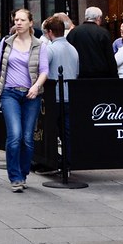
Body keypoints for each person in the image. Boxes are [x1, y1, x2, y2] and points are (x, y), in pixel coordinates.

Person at [0, 8, 48, 192]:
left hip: (31, 95)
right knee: (14, 136)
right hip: (10, 93)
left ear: (31, 23)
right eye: (16, 19)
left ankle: (23, 174)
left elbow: (44, 70)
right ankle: (15, 177)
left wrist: (36, 86)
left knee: (27, 138)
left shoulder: (40, 45)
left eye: (23, 20)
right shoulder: (6, 43)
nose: (19, 23)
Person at [42, 14, 79, 170]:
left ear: (50, 32)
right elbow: (76, 72)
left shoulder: (49, 49)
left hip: (54, 97)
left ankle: (52, 161)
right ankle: (68, 162)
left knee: (50, 131)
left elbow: (43, 72)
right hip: (70, 95)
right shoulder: (73, 49)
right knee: (67, 132)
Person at [67, 6, 117, 79]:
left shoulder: (74, 32)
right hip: (100, 76)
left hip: (80, 75)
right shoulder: (103, 33)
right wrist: (114, 75)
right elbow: (109, 56)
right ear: (98, 18)